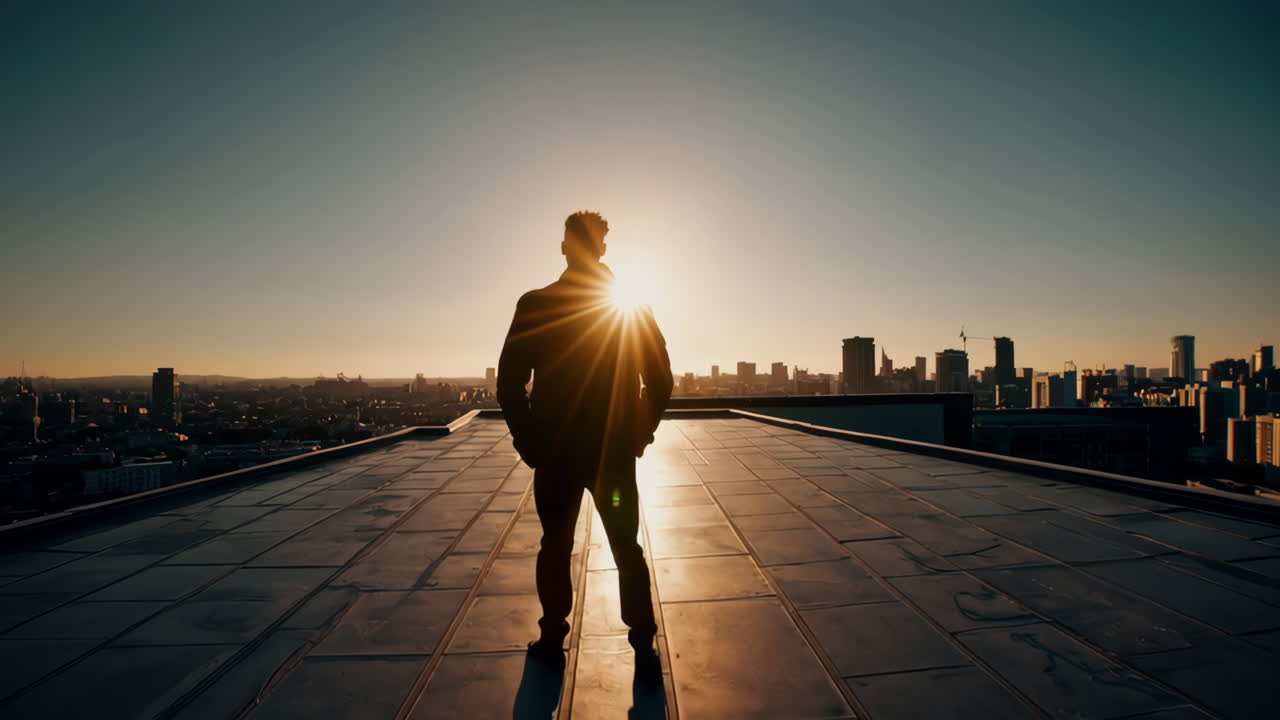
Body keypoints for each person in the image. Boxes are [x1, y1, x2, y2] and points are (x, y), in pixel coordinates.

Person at [497, 210, 673, 673]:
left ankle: (552, 637)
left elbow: (509, 384)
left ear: (564, 248)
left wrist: (529, 441)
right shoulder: (631, 307)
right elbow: (660, 380)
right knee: (626, 546)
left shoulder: (536, 304)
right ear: (602, 249)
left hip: (555, 450)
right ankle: (643, 641)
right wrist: (638, 432)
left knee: (555, 545)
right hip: (611, 449)